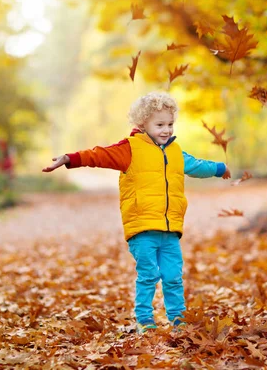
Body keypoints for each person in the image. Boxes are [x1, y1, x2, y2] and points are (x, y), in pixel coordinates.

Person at [42, 92, 231, 333]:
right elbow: (99, 155)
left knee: (173, 276)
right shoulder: (130, 149)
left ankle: (178, 320)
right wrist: (70, 158)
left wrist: (218, 168)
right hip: (142, 229)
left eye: (170, 124)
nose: (166, 130)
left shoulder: (174, 151)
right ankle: (145, 319)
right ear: (142, 124)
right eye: (159, 124)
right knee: (149, 275)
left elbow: (196, 165)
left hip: (170, 229)